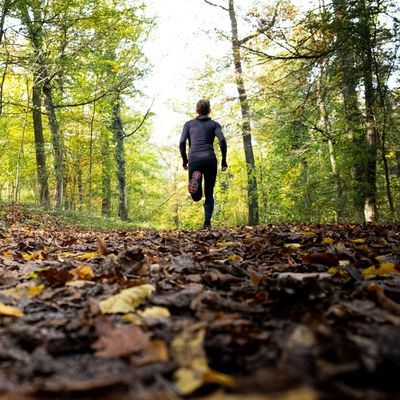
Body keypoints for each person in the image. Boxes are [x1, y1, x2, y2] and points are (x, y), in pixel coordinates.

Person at [179, 99, 227, 229]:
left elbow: (182, 142)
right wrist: (224, 159)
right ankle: (207, 223)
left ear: (196, 110)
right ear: (209, 110)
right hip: (210, 159)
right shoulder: (214, 124)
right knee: (209, 192)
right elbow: (222, 140)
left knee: (196, 197)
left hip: (194, 159)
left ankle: (196, 181)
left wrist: (185, 160)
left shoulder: (189, 124)